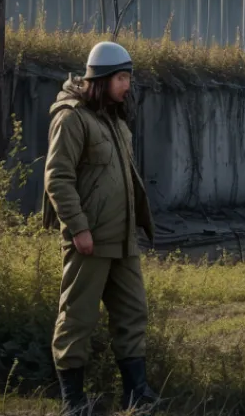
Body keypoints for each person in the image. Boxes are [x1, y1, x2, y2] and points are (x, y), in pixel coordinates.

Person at [41, 41, 160, 416]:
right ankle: (73, 403)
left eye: (128, 77)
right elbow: (57, 178)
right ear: (102, 79)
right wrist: (78, 229)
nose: (127, 85)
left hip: (122, 240)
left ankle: (136, 393)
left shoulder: (113, 120)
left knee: (133, 313)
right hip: (89, 241)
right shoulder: (72, 117)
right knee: (78, 317)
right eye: (122, 78)